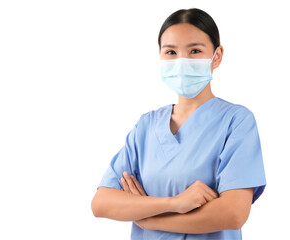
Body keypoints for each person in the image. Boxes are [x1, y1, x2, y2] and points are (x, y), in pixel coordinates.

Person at [91, 8, 266, 240]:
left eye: (195, 51)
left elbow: (233, 213)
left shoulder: (236, 122)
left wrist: (147, 216)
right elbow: (101, 203)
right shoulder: (146, 126)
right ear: (160, 56)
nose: (182, 61)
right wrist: (175, 203)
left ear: (217, 56)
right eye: (171, 52)